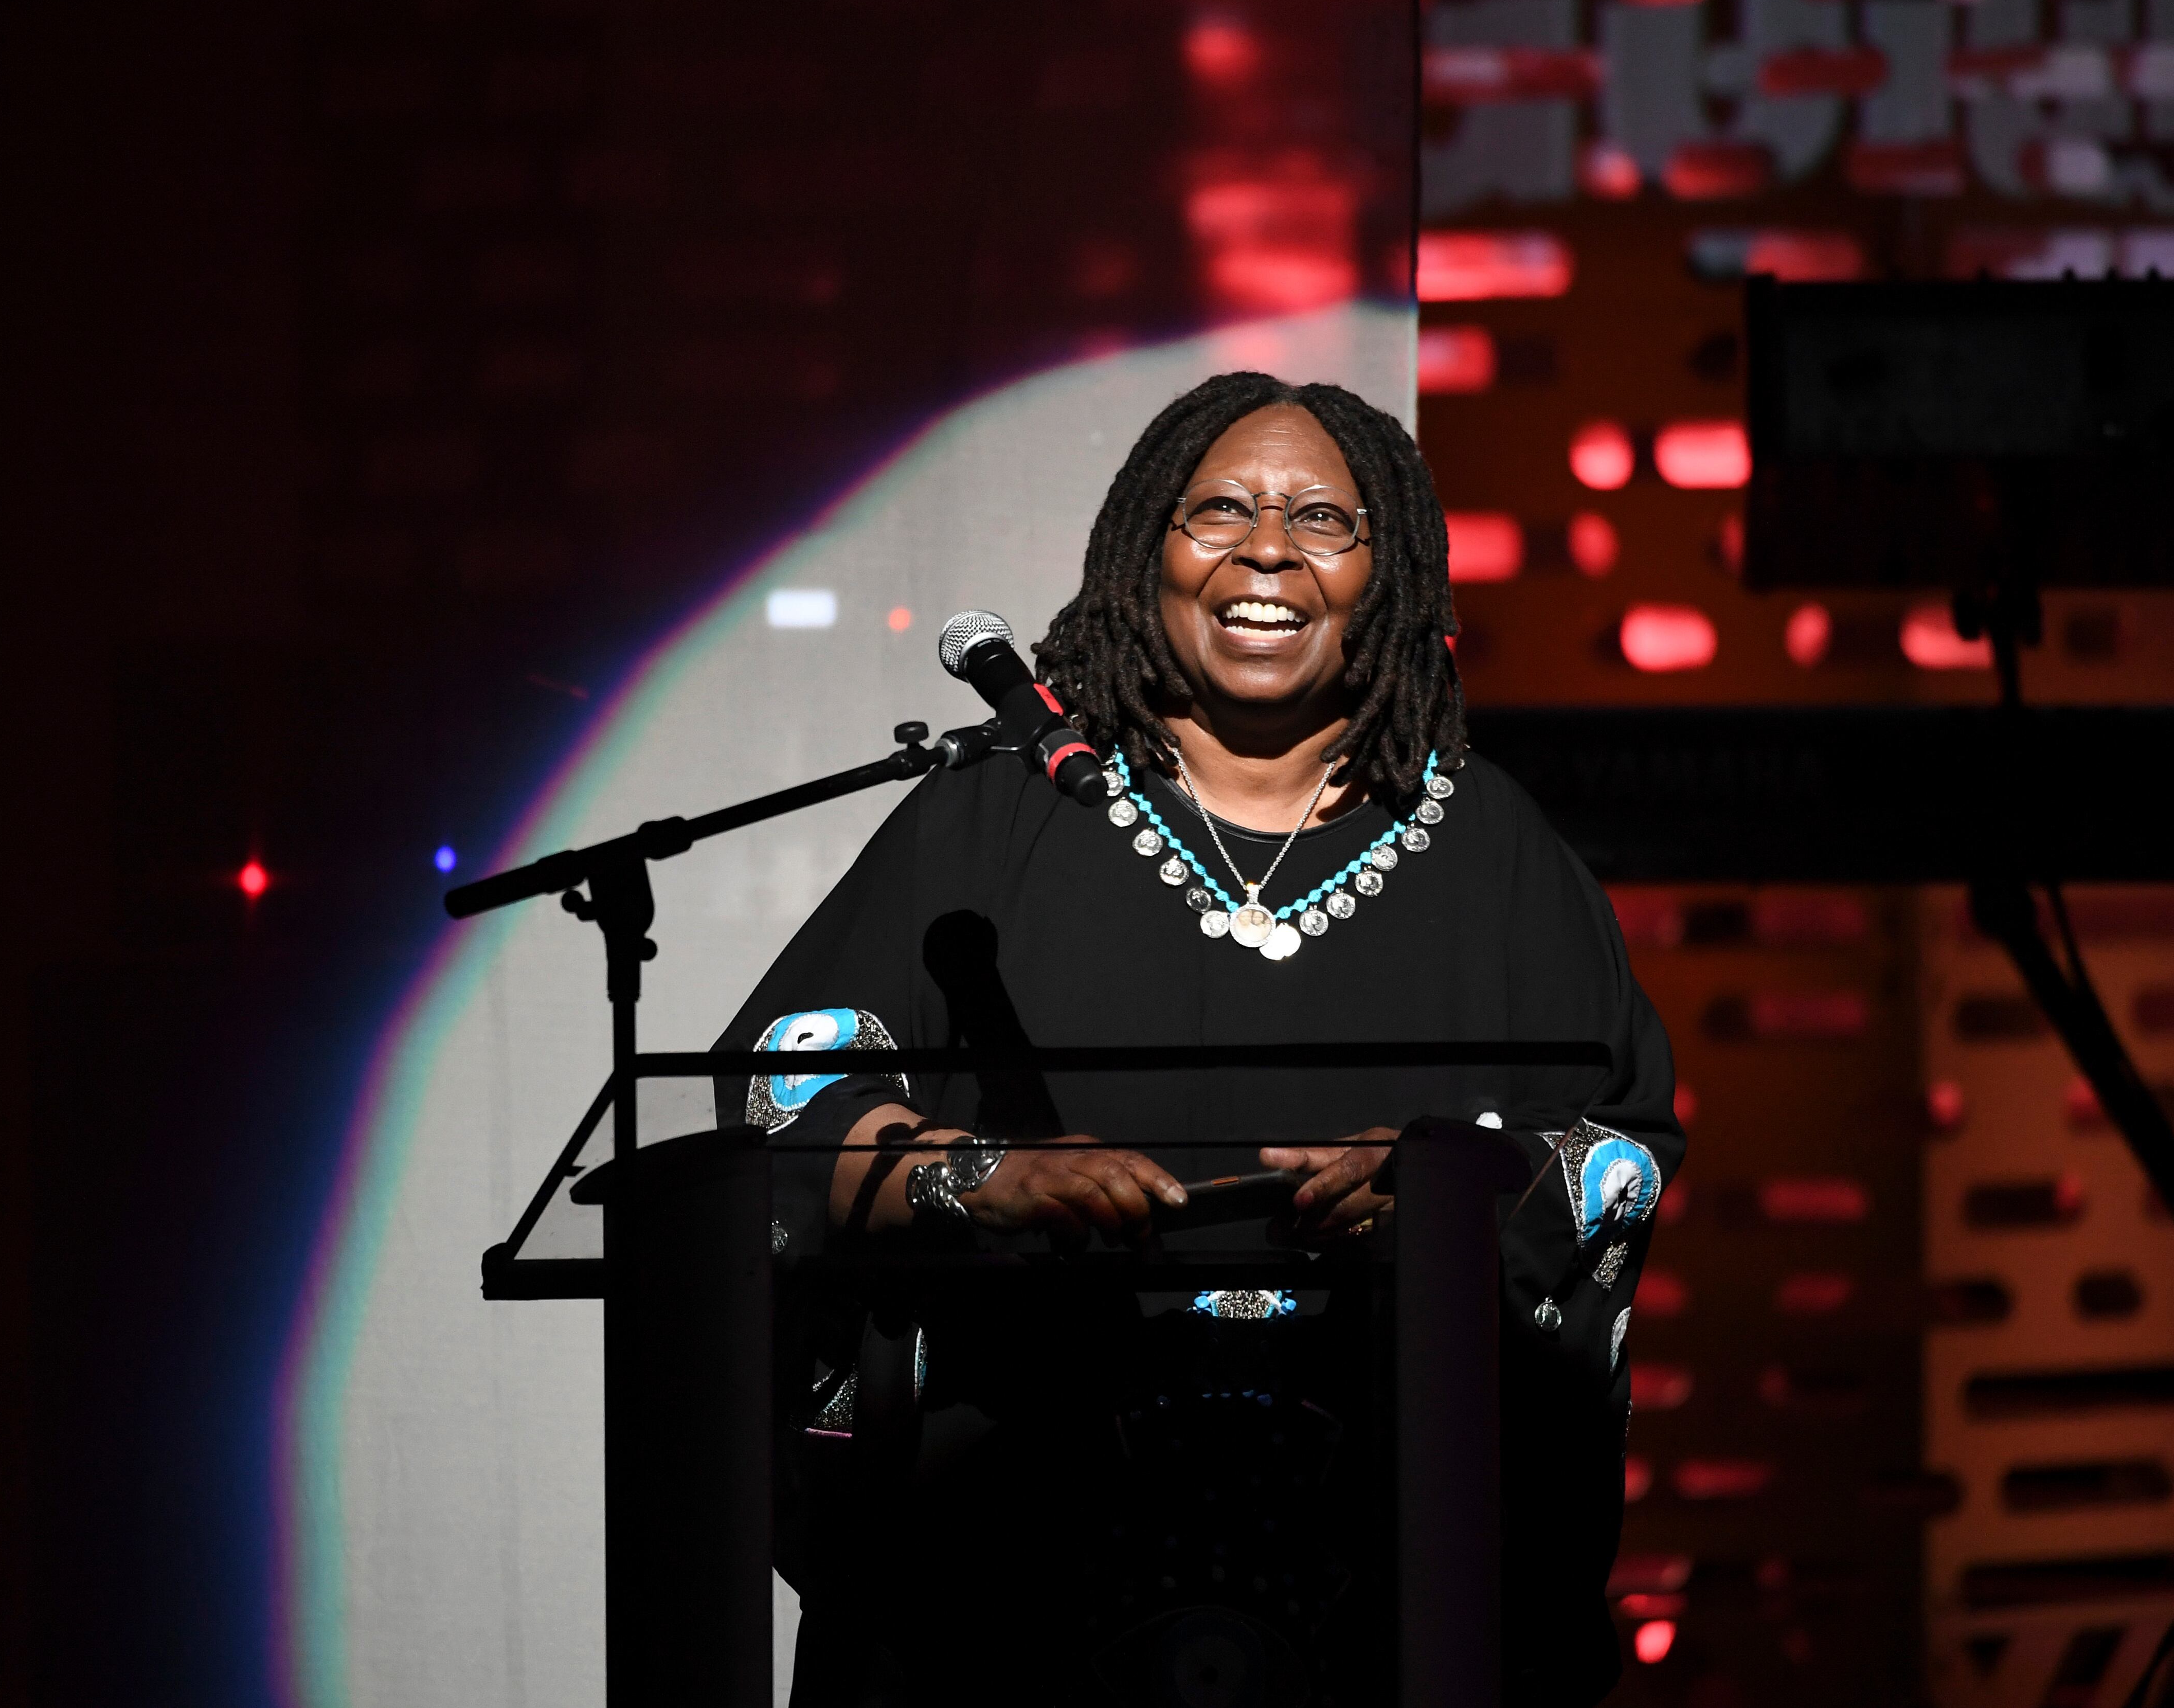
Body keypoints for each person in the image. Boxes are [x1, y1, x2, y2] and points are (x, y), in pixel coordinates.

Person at [717, 371, 1683, 1707]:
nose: (1267, 550)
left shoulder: (1493, 847)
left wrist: (1458, 1188)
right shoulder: (991, 815)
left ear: (1390, 571)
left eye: (1322, 519)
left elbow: (1618, 1143)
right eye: (1219, 509)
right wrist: (979, 1177)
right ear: (1145, 553)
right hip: (1004, 1569)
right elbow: (787, 1080)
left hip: (1386, 1572)